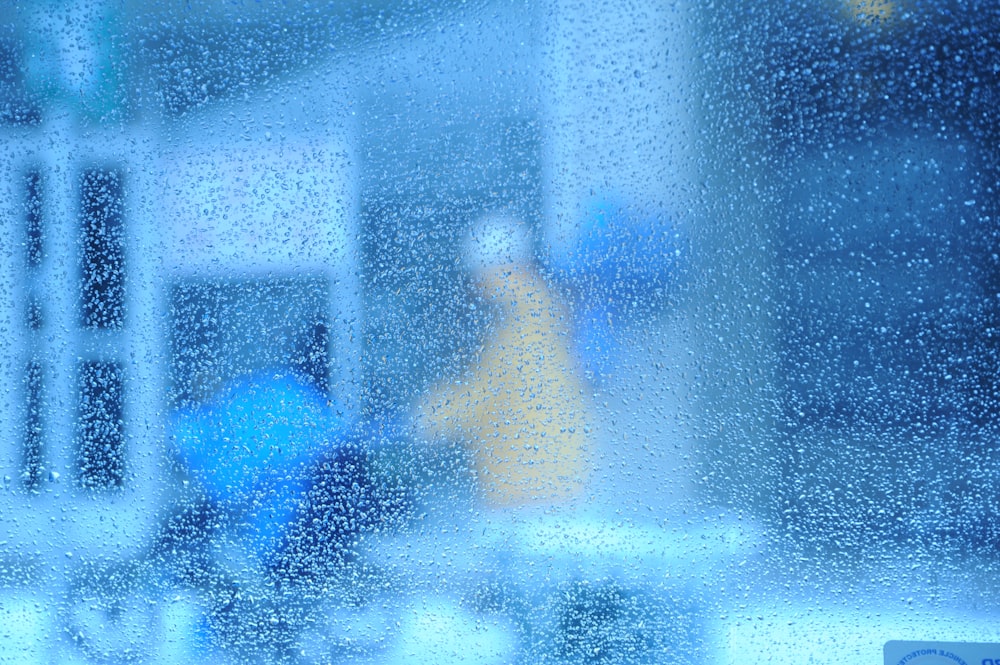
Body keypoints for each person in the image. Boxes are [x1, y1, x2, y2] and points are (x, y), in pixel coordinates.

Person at [417, 214, 592, 507]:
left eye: (482, 274)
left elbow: (482, 397)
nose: (475, 285)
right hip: (545, 484)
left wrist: (429, 415)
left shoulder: (526, 324)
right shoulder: (538, 313)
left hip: (533, 491)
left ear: (508, 268)